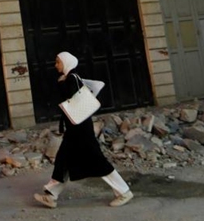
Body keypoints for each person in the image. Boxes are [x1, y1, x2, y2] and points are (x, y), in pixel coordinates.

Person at [34, 51, 134, 209]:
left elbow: (71, 98)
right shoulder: (69, 78)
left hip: (81, 129)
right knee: (63, 160)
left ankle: (124, 192)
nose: (56, 65)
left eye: (58, 62)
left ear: (66, 63)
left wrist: (62, 84)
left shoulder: (71, 78)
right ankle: (51, 195)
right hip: (74, 128)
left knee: (96, 160)